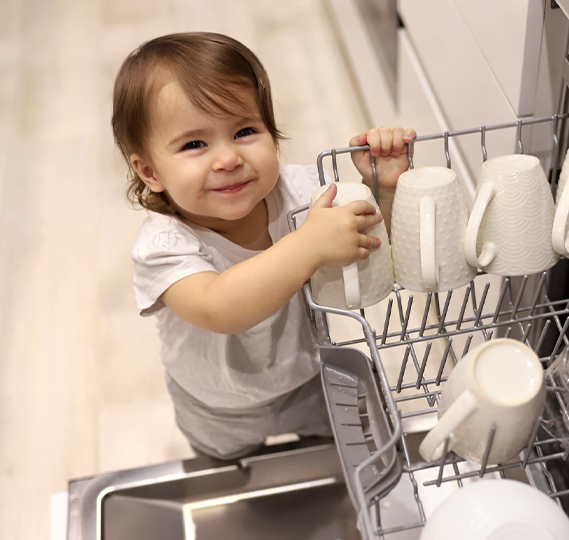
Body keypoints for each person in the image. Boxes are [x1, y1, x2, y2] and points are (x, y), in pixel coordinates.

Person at [111, 32, 415, 459]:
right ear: (150, 172)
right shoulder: (164, 246)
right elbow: (220, 307)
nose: (228, 158)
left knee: (334, 457)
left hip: (309, 377)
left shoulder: (300, 191)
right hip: (217, 404)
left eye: (245, 130)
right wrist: (308, 244)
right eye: (194, 144)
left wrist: (379, 187)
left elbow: (368, 241)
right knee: (226, 477)